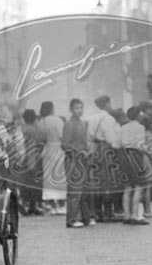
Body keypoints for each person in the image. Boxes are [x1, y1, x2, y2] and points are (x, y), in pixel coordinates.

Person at [86, 95, 122, 221]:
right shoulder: (109, 119)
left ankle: (97, 212)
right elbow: (111, 139)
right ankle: (108, 212)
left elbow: (89, 135)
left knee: (97, 181)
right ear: (107, 104)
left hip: (95, 150)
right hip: (106, 150)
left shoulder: (92, 118)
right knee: (108, 180)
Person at [62, 98, 95, 227]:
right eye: (76, 108)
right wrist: (80, 152)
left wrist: (88, 151)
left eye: (81, 108)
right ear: (71, 110)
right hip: (73, 161)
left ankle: (86, 217)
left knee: (85, 190)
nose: (79, 110)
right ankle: (72, 219)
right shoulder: (69, 124)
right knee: (74, 191)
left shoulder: (81, 123)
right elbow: (65, 144)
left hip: (83, 160)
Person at [120, 106, 149, 225]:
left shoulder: (123, 127)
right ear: (137, 115)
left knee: (127, 187)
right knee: (138, 186)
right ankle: (135, 215)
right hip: (136, 156)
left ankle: (126, 215)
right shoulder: (140, 127)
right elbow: (140, 144)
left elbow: (120, 142)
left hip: (125, 155)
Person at [37, 101, 67, 215]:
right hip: (58, 148)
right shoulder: (57, 120)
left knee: (49, 178)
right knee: (60, 176)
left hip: (47, 149)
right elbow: (62, 134)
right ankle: (62, 205)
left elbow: (41, 138)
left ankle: (53, 206)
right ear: (51, 109)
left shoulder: (41, 122)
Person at [19, 109, 47, 215]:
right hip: (34, 158)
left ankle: (27, 205)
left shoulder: (24, 128)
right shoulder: (34, 129)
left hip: (27, 158)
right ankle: (32, 206)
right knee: (33, 183)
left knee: (26, 183)